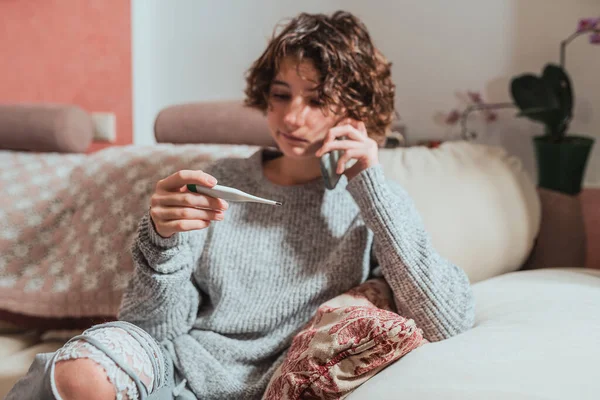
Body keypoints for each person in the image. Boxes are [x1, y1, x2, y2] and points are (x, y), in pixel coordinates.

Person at [6, 10, 475, 400]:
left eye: (316, 100)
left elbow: (445, 320)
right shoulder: (220, 179)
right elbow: (151, 326)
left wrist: (368, 183)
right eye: (281, 95)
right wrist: (162, 243)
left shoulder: (373, 201)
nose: (292, 117)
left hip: (274, 384)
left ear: (354, 111)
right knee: (80, 374)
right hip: (176, 371)